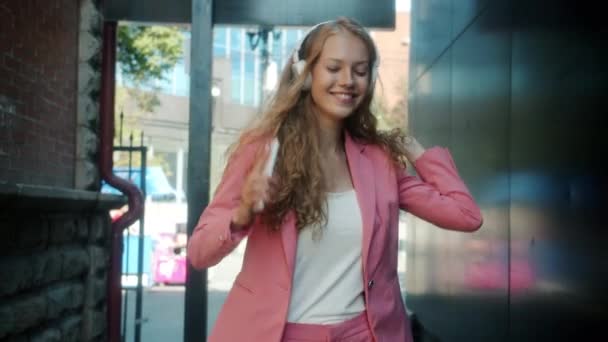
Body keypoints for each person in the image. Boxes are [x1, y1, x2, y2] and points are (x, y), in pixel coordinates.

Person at [187, 17, 482, 342]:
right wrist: (241, 213)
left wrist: (419, 153)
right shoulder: (262, 152)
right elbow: (199, 253)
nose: (348, 80)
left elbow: (465, 216)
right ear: (306, 74)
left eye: (360, 70)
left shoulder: (379, 162)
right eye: (334, 68)